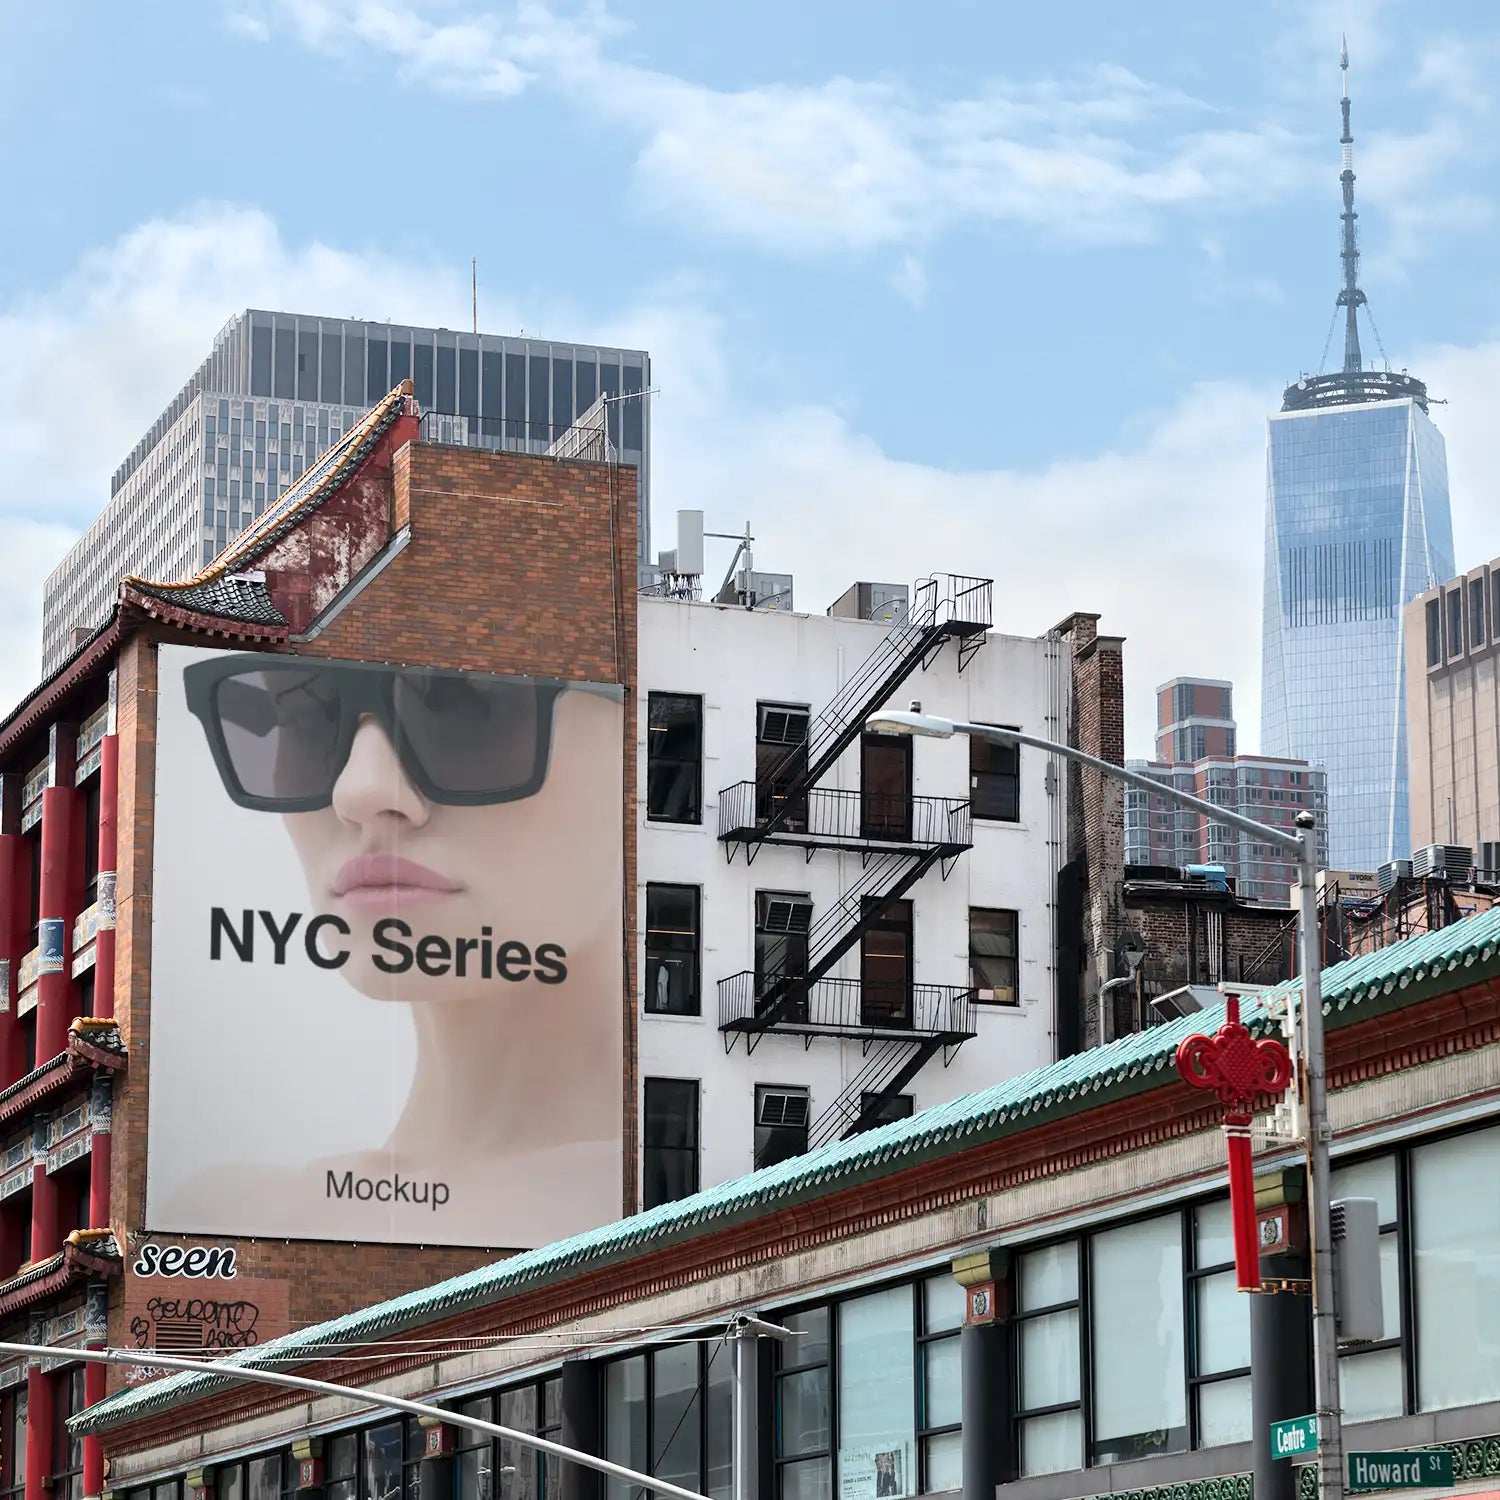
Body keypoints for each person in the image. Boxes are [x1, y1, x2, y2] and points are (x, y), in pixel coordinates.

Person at [167, 652, 624, 1247]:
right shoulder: (227, 1218)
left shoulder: (709, 1210)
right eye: (306, 716)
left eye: (466, 704)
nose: (360, 791)